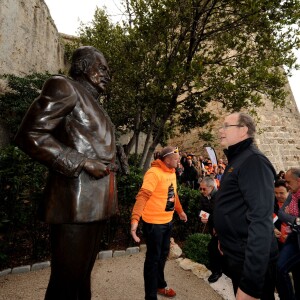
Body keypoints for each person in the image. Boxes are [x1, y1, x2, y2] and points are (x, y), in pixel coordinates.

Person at [15, 46, 120, 300]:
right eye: (102, 68)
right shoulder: (64, 87)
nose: (107, 75)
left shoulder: (93, 101)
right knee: (66, 284)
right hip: (74, 205)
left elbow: (91, 141)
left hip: (97, 205)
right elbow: (30, 135)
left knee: (81, 281)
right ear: (83, 67)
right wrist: (82, 161)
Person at [214, 112, 278, 300]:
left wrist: (250, 286)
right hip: (236, 253)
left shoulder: (254, 161)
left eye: (226, 126)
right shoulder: (238, 159)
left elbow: (261, 221)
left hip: (250, 261)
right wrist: (224, 239)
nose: (220, 130)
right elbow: (235, 207)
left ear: (243, 130)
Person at [130, 146, 188, 300]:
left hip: (167, 222)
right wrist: (135, 219)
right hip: (154, 224)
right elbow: (142, 196)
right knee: (153, 260)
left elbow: (173, 194)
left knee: (162, 256)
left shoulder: (171, 172)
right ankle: (150, 296)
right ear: (167, 159)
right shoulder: (153, 173)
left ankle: (160, 285)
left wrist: (180, 211)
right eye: (176, 158)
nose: (179, 160)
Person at [276, 168, 300, 300]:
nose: (286, 185)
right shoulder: (292, 194)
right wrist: (295, 220)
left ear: (298, 181)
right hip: (294, 238)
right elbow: (281, 214)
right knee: (281, 268)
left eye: (288, 181)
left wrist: (291, 217)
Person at [198, 176, 223, 283]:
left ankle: (217, 271)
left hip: (221, 228)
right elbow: (202, 210)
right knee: (214, 248)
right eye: (201, 188)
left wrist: (217, 227)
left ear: (212, 187)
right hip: (213, 227)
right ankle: (218, 270)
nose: (201, 191)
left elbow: (222, 214)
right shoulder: (204, 196)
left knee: (214, 248)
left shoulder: (220, 197)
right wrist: (202, 217)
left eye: (204, 189)